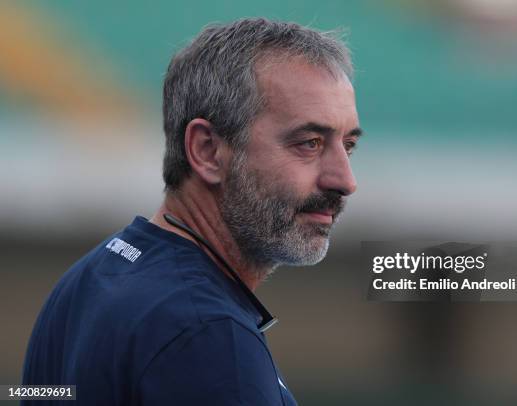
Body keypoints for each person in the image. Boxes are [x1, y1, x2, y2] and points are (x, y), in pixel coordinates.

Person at [21, 17, 361, 405]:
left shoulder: (92, 275)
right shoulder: (208, 335)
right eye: (310, 143)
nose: (345, 180)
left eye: (348, 146)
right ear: (206, 151)